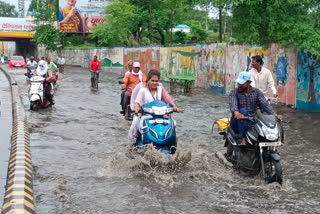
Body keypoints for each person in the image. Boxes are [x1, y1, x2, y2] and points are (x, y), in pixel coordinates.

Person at [229, 72, 280, 146]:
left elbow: (265, 105)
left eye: (241, 83)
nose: (239, 85)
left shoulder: (256, 92)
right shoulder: (234, 92)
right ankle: (243, 139)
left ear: (249, 82)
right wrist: (236, 113)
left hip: (251, 121)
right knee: (243, 111)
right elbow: (233, 105)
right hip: (237, 122)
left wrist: (275, 115)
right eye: (238, 83)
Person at [128, 70, 180, 143]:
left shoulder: (160, 89)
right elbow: (137, 102)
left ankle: (172, 144)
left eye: (156, 81)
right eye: (152, 80)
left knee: (172, 124)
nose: (155, 83)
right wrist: (136, 108)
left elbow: (167, 98)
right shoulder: (143, 90)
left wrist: (174, 107)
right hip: (146, 115)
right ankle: (132, 143)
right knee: (135, 123)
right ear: (148, 80)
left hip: (161, 115)